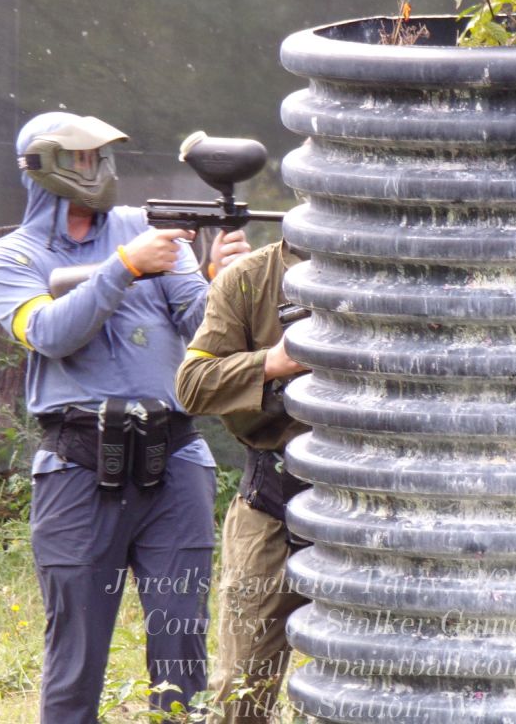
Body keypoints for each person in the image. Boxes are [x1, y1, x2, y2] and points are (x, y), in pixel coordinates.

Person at [0, 111, 249, 724]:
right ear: (43, 166)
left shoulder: (143, 227)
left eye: (100, 156)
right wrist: (124, 267)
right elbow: (49, 333)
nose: (97, 169)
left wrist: (225, 283)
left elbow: (199, 325)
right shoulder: (11, 256)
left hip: (174, 459)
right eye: (81, 158)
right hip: (78, 467)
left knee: (181, 642)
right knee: (76, 652)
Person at [175, 237, 312, 723]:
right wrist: (273, 362)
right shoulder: (252, 278)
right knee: (242, 691)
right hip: (274, 505)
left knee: (379, 681)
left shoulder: (403, 275)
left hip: (382, 514)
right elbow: (193, 383)